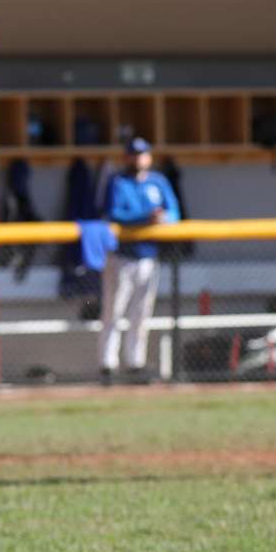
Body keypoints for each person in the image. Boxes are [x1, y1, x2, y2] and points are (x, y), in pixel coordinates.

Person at [99, 136, 181, 382]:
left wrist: (162, 218)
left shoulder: (158, 181)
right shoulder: (118, 181)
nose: (138, 159)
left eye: (142, 154)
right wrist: (145, 217)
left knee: (141, 313)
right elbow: (115, 213)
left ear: (149, 157)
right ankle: (108, 364)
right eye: (133, 154)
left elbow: (174, 212)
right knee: (113, 312)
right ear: (126, 157)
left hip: (148, 256)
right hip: (121, 256)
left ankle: (135, 363)